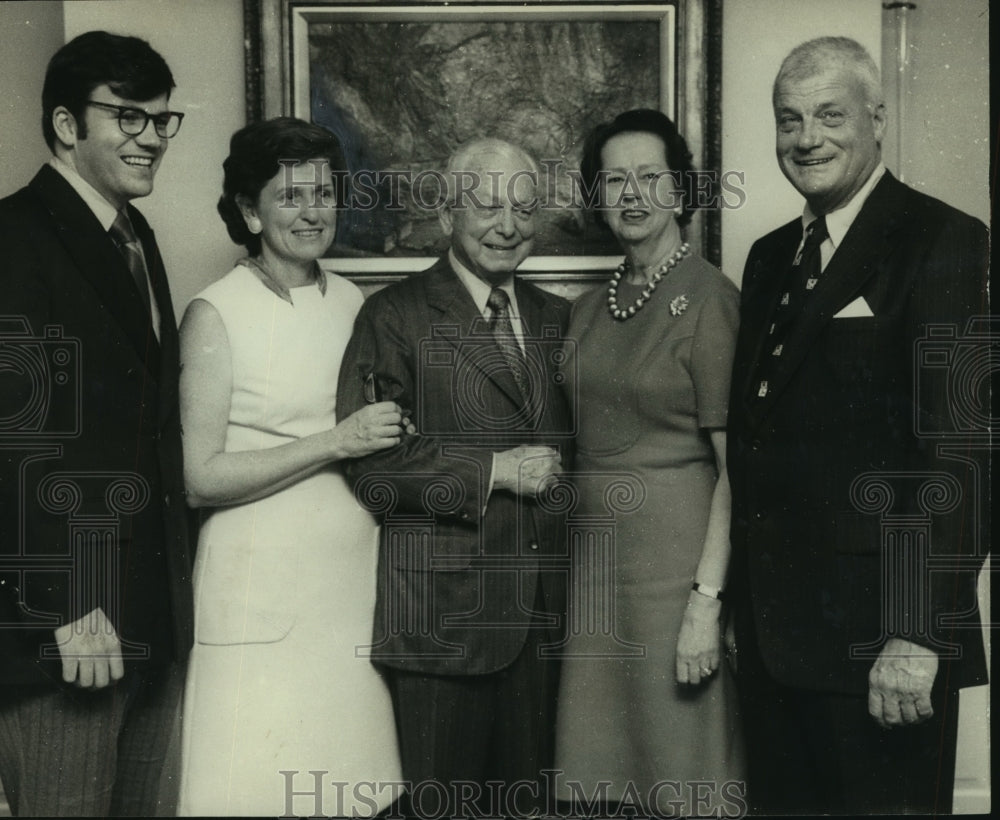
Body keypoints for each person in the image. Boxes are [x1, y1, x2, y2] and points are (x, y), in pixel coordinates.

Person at [727, 37, 989, 815]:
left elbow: (962, 453)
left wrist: (917, 635)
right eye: (788, 120)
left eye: (830, 115)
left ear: (876, 117)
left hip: (882, 647)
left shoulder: (944, 239)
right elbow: (757, 440)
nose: (807, 138)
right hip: (776, 645)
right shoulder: (771, 257)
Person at [336, 137, 571, 818]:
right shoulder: (394, 314)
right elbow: (372, 469)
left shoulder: (558, 316)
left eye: (525, 208)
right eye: (488, 205)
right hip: (441, 625)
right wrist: (493, 471)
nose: (508, 225)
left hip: (538, 622)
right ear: (447, 213)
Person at [176, 117, 405, 816]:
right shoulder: (215, 312)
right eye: (289, 195)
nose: (312, 211)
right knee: (259, 791)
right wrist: (335, 443)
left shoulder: (350, 302)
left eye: (324, 193)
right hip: (258, 593)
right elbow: (200, 476)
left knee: (344, 791)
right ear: (249, 210)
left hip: (346, 590)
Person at [0, 31, 193, 816]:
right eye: (128, 117)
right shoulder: (13, 236)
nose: (151, 137)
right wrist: (65, 605)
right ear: (66, 126)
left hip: (149, 614)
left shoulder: (136, 236)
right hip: (66, 630)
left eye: (160, 120)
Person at [553, 109, 745, 817]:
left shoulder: (712, 302)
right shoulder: (589, 309)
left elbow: (736, 472)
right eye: (614, 180)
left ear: (680, 189)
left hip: (675, 584)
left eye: (649, 177)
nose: (631, 195)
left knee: (680, 776)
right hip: (598, 584)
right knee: (602, 781)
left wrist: (706, 604)